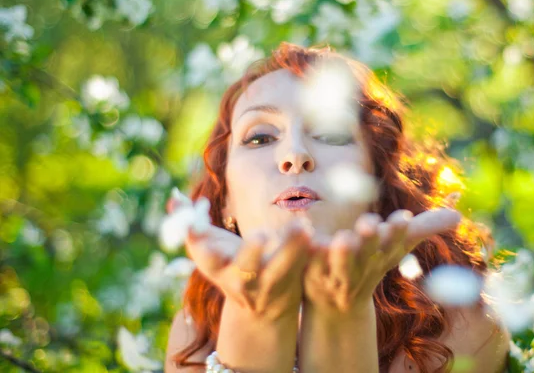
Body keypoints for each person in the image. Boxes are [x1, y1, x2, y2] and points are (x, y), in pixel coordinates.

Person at [164, 42, 511, 373]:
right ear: (225, 199)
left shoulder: (459, 322)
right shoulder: (194, 330)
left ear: (378, 184)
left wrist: (344, 313)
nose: (295, 155)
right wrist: (255, 316)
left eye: (330, 134)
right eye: (260, 137)